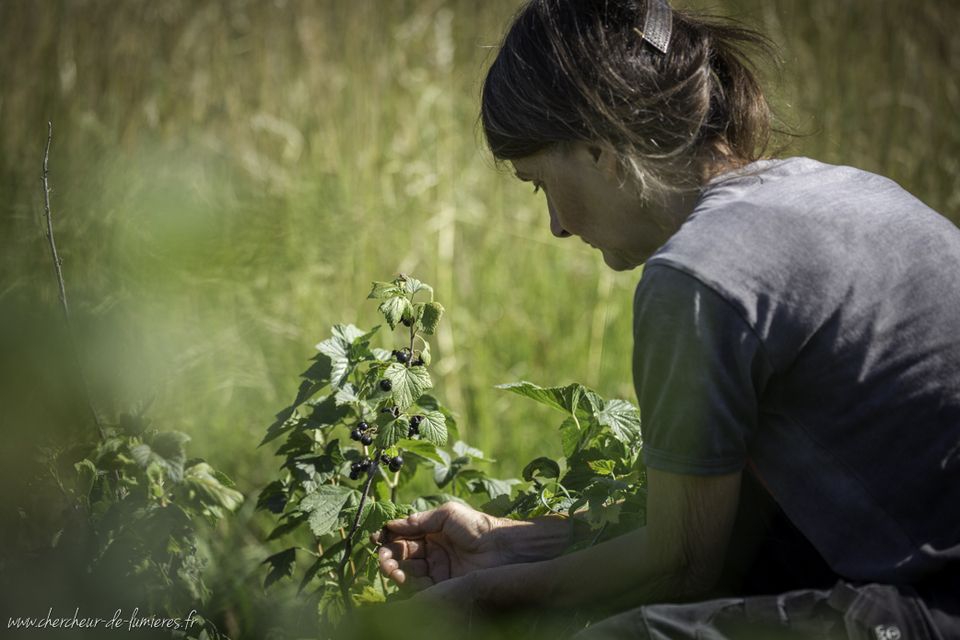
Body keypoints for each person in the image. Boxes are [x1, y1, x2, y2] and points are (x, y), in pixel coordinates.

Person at [372, 0, 960, 637]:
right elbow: (737, 525)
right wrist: (510, 542)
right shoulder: (847, 187)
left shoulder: (697, 276)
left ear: (598, 150)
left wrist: (479, 601)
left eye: (539, 182)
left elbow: (682, 564)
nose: (557, 226)